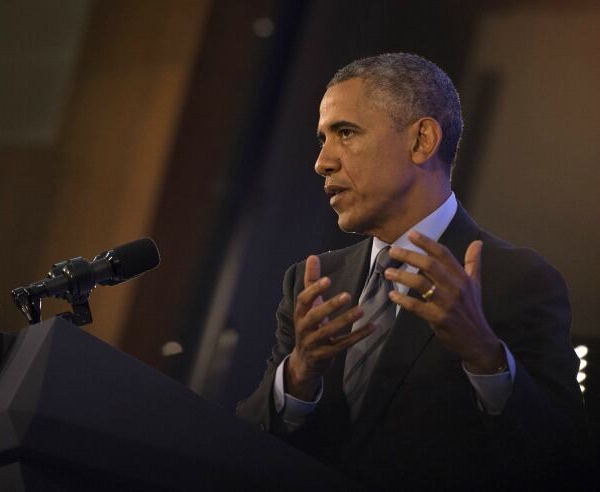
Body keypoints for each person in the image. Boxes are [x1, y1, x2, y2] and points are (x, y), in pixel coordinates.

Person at [236, 53, 587, 490]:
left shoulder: (518, 280)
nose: (322, 162)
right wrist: (300, 375)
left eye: (345, 133)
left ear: (422, 140)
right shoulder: (310, 282)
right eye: (322, 138)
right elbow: (241, 444)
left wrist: (485, 356)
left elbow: (568, 462)